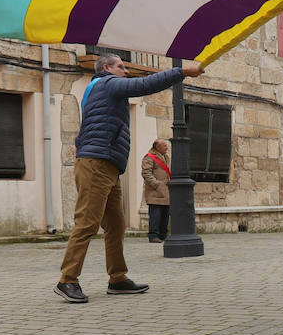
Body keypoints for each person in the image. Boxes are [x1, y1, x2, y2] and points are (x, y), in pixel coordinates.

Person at [55, 54, 202, 303]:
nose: (126, 71)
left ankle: (118, 278)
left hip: (108, 166)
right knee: (87, 223)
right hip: (96, 164)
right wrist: (183, 72)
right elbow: (143, 86)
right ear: (106, 68)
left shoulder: (100, 89)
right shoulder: (107, 83)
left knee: (116, 226)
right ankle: (67, 280)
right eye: (121, 67)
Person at [141, 139, 170, 244]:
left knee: (165, 215)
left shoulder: (166, 157)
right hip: (155, 192)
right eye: (164, 146)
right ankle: (153, 235)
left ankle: (163, 235)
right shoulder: (149, 157)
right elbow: (146, 173)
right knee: (155, 216)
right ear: (157, 147)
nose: (167, 147)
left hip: (165, 192)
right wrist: (157, 184)